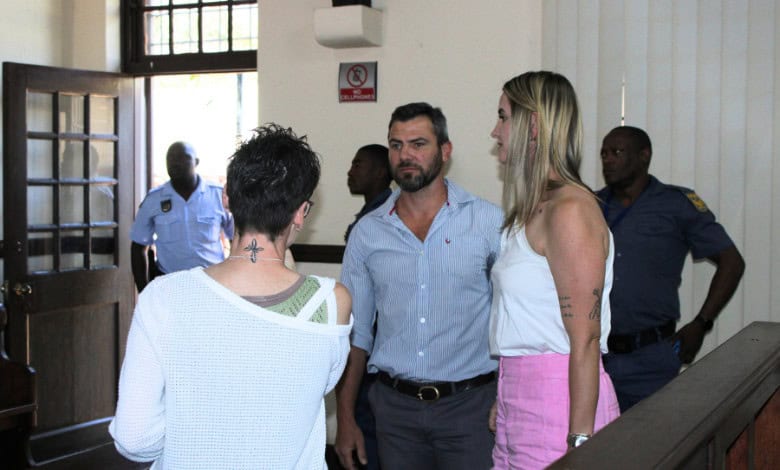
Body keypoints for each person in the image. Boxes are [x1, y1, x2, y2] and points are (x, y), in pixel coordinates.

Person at [109, 124, 352, 469]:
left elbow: (135, 440)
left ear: (226, 198)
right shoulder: (331, 302)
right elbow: (313, 386)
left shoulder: (161, 299)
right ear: (301, 212)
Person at [335, 102, 503, 470]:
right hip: (395, 413)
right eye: (396, 145)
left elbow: (512, 320)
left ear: (445, 151)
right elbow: (355, 334)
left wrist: (507, 397)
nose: (405, 155)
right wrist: (345, 418)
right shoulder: (368, 233)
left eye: (418, 144)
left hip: (471, 408)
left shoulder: (489, 223)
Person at [488, 71, 620, 469]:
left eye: (503, 116)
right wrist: (505, 394)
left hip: (558, 402)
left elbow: (585, 339)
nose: (495, 131)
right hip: (520, 396)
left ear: (533, 125)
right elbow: (527, 318)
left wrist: (580, 441)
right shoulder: (531, 209)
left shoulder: (570, 211)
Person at [597, 126, 745, 412]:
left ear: (644, 156)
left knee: (651, 450)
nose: (608, 160)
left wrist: (702, 323)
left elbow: (732, 262)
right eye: (604, 153)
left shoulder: (676, 204)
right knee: (591, 453)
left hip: (650, 359)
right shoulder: (590, 205)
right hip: (594, 359)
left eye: (617, 152)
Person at [343, 143, 392, 470]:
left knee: (371, 428)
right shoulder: (367, 217)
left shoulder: (385, 218)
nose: (350, 171)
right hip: (365, 343)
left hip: (377, 348)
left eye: (358, 164)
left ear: (379, 172)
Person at [130, 141, 234, 292]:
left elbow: (238, 239)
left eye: (183, 157)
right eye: (170, 158)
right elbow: (138, 246)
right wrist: (143, 291)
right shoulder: (154, 200)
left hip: (213, 285)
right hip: (170, 286)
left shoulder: (218, 196)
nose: (175, 162)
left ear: (196, 162)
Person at [345, 144, 393, 242]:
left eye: (357, 166)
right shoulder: (371, 210)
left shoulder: (387, 215)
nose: (350, 172)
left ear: (380, 172)